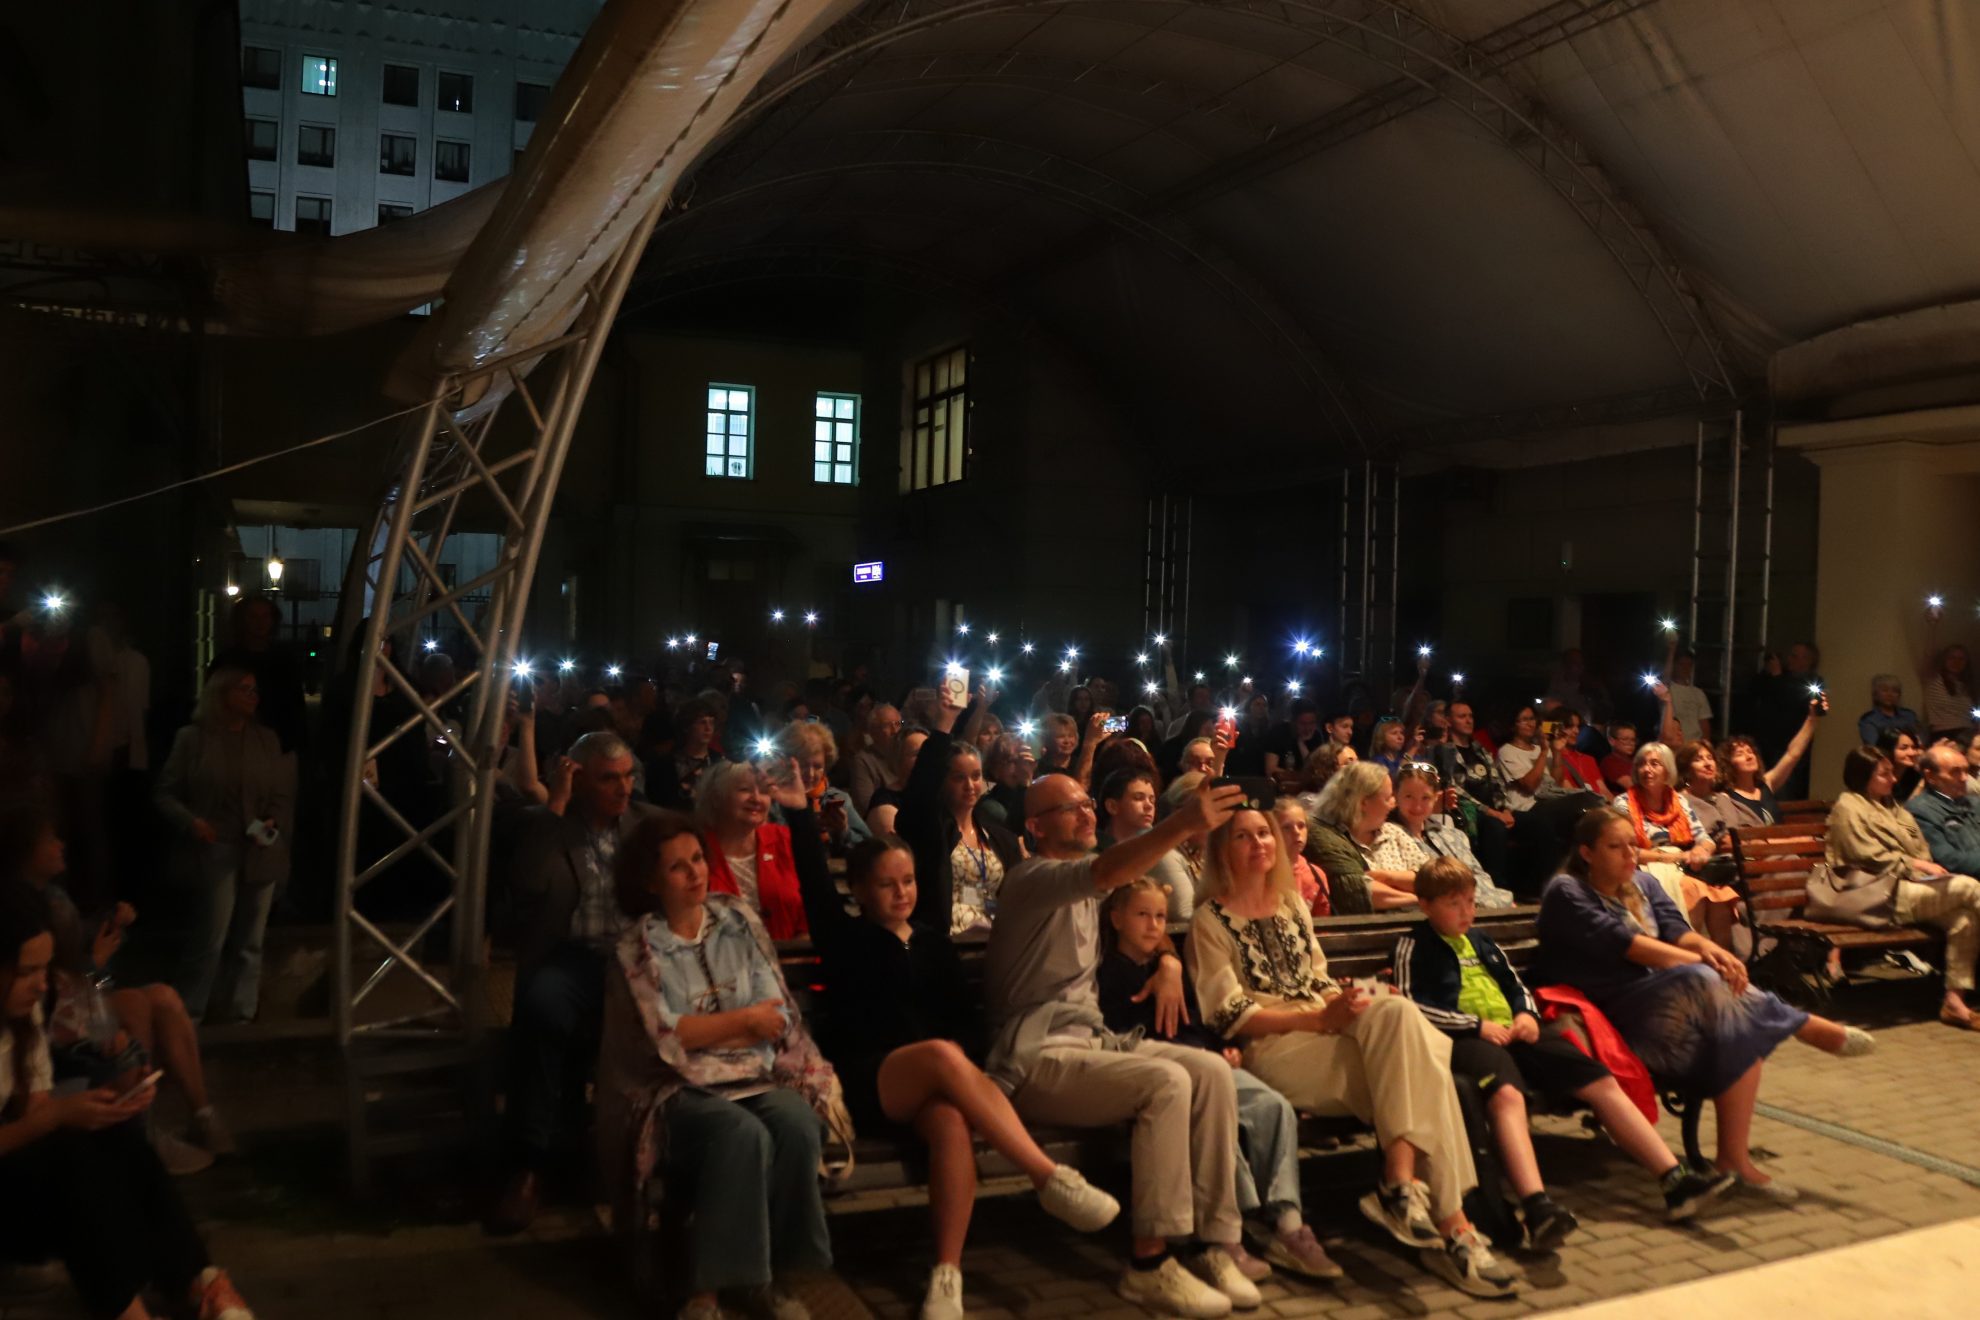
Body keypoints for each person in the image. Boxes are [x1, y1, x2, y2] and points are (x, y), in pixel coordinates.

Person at [1188, 798, 1516, 1298]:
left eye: (1264, 833)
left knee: (1396, 1012)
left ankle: (1409, 1192)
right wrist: (1319, 1018)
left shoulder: (1291, 904)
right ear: (1221, 850)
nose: (1258, 843)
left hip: (1325, 1030)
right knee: (1427, 1076)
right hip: (1273, 1046)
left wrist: (1348, 1000)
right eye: (1243, 836)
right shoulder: (1210, 920)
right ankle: (1453, 1230)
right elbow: (1228, 1014)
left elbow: (1318, 980)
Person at [984, 774, 1259, 1318]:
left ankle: (1214, 1242)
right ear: (1036, 826)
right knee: (1166, 1082)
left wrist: (1169, 961)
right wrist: (1181, 823)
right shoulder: (1030, 879)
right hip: (1035, 1056)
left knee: (1209, 1071)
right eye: (1071, 808)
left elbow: (1137, 903)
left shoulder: (1092, 889)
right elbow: (1110, 871)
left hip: (1092, 1045)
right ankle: (1149, 1264)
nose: (1087, 814)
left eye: (1088, 804)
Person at [1534, 808, 1873, 1201]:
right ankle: (1801, 1024)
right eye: (1615, 847)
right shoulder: (1568, 891)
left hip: (1662, 1009)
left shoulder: (1643, 883)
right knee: (1700, 978)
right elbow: (1627, 946)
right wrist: (1706, 964)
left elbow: (1678, 931)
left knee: (1740, 1037)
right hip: (1609, 1015)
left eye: (1633, 844)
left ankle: (1734, 1161)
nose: (1630, 854)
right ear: (1587, 853)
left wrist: (1715, 952)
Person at [1396, 858, 1735, 1237]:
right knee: (1507, 1095)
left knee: (1598, 1079)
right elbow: (1411, 1005)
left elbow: (1514, 986)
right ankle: (1537, 1205)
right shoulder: (1415, 945)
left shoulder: (1481, 941)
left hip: (1517, 1031)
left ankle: (1674, 1178)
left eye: (1471, 902)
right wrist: (1475, 1026)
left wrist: (1525, 1014)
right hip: (1464, 1040)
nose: (1466, 912)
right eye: (1454, 904)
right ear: (1425, 905)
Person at [593, 811, 843, 1320]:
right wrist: (743, 1020)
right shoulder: (637, 950)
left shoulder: (736, 922)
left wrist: (713, 1027)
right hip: (673, 1086)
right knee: (739, 1134)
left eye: (698, 859)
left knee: (795, 1124)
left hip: (751, 1073)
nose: (695, 874)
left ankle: (773, 1274)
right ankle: (709, 1290)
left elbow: (775, 1014)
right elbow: (664, 1039)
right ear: (650, 881)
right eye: (677, 867)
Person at [0, 884, 257, 1320]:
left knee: (113, 1136)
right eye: (28, 972)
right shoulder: (49, 997)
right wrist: (61, 1113)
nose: (41, 984)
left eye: (45, 968)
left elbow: (36, 1110)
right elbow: (43, 1118)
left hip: (30, 1168)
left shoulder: (30, 1011)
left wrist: (110, 1100)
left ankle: (199, 1280)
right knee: (69, 1163)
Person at [1100, 878, 1343, 1282]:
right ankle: (1231, 1231)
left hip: (1208, 1060)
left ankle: (1288, 1221)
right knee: (1217, 1117)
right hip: (1164, 1072)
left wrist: (1225, 1047)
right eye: (1142, 915)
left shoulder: (1170, 967)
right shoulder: (1110, 973)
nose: (1153, 925)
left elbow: (1201, 1021)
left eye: (1160, 916)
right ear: (1116, 919)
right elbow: (1120, 1033)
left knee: (1273, 1106)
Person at [487, 732, 656, 1235]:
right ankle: (530, 1164)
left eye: (628, 776)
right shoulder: (549, 825)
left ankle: (637, 1156)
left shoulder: (645, 825)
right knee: (542, 1010)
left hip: (635, 958)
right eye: (609, 779)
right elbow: (527, 886)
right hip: (572, 956)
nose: (623, 788)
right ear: (579, 779)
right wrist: (556, 805)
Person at [0, 806, 231, 1172]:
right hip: (62, 1007)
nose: (61, 845)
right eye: (51, 839)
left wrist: (105, 951)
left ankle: (202, 1115)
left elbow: (88, 976)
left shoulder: (57, 899)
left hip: (82, 993)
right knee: (134, 1005)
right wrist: (97, 969)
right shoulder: (20, 913)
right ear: (25, 848)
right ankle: (142, 1129)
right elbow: (68, 981)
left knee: (163, 996)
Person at [155, 666, 294, 1025]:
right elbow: (166, 792)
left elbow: (281, 792)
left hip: (258, 848)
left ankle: (242, 1011)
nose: (252, 696)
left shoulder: (265, 739)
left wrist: (271, 820)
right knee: (210, 936)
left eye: (255, 690)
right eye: (244, 689)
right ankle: (190, 1012)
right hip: (216, 845)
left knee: (252, 937)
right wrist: (192, 822)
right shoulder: (193, 739)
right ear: (221, 694)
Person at [1840, 745, 1980, 1030]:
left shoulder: (1894, 808)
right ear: (1863, 775)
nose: (1894, 779)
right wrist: (1916, 865)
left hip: (1911, 887)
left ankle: (1954, 1002)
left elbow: (1921, 847)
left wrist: (1922, 867)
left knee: (1964, 919)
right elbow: (1866, 856)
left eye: (1892, 773)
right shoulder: (1849, 807)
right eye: (1884, 774)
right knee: (1968, 887)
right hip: (1878, 894)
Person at [898, 698, 1025, 939]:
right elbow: (919, 793)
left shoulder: (997, 836)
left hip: (995, 942)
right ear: (943, 782)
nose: (970, 785)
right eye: (959, 778)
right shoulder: (932, 831)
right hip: (948, 944)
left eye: (976, 776)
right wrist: (945, 723)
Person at [1613, 743, 1738, 948]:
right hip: (1644, 866)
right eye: (1642, 764)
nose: (1647, 769)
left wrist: (1701, 850)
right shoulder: (1624, 803)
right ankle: (1685, 955)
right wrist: (1674, 857)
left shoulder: (1678, 801)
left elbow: (1705, 839)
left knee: (1721, 894)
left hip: (1682, 864)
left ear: (1668, 770)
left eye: (1654, 764)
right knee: (1693, 889)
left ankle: (1720, 960)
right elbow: (1626, 851)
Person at [696, 760, 810, 940]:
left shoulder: (784, 839)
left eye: (764, 791)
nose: (756, 798)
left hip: (792, 954)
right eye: (744, 789)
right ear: (717, 797)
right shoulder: (695, 848)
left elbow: (812, 907)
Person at [1386, 763, 1514, 910]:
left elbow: (1479, 877)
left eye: (1425, 798)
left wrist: (1500, 903)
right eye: (1409, 796)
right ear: (1396, 795)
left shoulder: (1454, 836)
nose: (1417, 806)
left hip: (1487, 908)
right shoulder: (1388, 837)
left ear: (1436, 797)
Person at [1307, 762, 1422, 914]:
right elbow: (1360, 890)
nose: (1393, 804)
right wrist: (1420, 899)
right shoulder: (1328, 839)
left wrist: (1389, 877)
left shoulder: (1394, 833)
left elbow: (1436, 880)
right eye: (1388, 798)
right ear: (1363, 803)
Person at [208, 594, 305, 755]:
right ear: (242, 620)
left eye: (265, 616)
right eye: (253, 616)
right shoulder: (226, 661)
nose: (260, 622)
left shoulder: (284, 661)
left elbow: (295, 706)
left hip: (279, 744)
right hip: (234, 744)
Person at [1714, 691, 1825, 828]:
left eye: (1750, 751)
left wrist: (1812, 718)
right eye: (1740, 754)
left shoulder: (1766, 784)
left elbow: (1792, 755)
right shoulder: (1727, 797)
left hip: (1783, 841)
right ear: (1728, 763)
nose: (1749, 756)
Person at [1444, 702, 1516, 884]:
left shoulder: (1479, 748)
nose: (1469, 720)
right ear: (1449, 721)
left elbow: (1497, 780)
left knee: (1538, 824)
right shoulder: (1445, 751)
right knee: (1495, 827)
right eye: (1462, 716)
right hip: (1470, 811)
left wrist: (1505, 809)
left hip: (1496, 809)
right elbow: (1455, 789)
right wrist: (1492, 812)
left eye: (1470, 716)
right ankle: (1497, 885)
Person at [773, 720, 869, 856]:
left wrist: (843, 831)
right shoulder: (773, 798)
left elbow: (871, 849)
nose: (811, 774)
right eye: (803, 765)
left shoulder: (836, 798)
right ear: (785, 763)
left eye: (818, 766)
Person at [651, 698, 726, 810]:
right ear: (686, 727)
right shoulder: (665, 764)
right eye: (702, 722)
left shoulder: (719, 762)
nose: (708, 728)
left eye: (711, 722)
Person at [1269, 797, 1329, 917]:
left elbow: (1323, 920)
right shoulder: (1263, 872)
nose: (1296, 832)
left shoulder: (1316, 875)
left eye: (1301, 826)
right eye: (1286, 827)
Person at [864, 726, 928, 836]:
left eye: (930, 751)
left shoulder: (941, 793)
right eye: (917, 754)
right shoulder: (885, 802)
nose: (928, 758)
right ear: (898, 760)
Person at [849, 702, 903, 815]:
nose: (895, 731)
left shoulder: (906, 754)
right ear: (873, 732)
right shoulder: (863, 760)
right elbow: (867, 805)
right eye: (887, 725)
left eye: (898, 724)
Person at [1660, 643, 1715, 745]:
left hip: (1693, 745)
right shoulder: (1667, 690)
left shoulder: (1698, 693)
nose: (1685, 668)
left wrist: (1705, 746)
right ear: (1675, 665)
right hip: (1672, 745)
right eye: (1682, 664)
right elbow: (1665, 679)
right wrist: (1671, 651)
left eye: (1689, 665)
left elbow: (1704, 725)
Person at [1921, 644, 1976, 743]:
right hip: (1943, 733)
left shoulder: (1967, 685)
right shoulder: (1933, 680)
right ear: (1944, 660)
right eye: (1952, 658)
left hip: (1967, 732)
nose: (1956, 662)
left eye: (1961, 659)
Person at [1262, 700, 1323, 784]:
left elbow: (1317, 769)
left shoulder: (1316, 735)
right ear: (1292, 721)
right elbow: (1270, 770)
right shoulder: (1277, 733)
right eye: (1303, 723)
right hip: (1280, 786)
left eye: (1311, 723)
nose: (1308, 728)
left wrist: (1301, 744)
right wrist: (1301, 776)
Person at [982, 733, 1034, 824]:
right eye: (1013, 761)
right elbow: (1016, 829)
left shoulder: (1037, 793)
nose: (1021, 767)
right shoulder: (990, 807)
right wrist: (1024, 785)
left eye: (1022, 761)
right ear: (995, 768)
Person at [1857, 674, 1921, 748]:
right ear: (1876, 695)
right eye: (1885, 690)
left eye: (1895, 691)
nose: (1890, 694)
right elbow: (1874, 746)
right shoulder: (1869, 720)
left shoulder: (1909, 715)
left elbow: (1920, 739)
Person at [1877, 726, 1926, 803]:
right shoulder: (1879, 778)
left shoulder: (1916, 775)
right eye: (1904, 748)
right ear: (1888, 749)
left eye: (1914, 748)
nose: (1912, 753)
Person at [1599, 722, 1638, 794]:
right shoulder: (1609, 762)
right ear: (1612, 741)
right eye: (1625, 739)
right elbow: (1633, 787)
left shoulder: (1634, 760)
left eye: (1633, 740)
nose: (1631, 743)